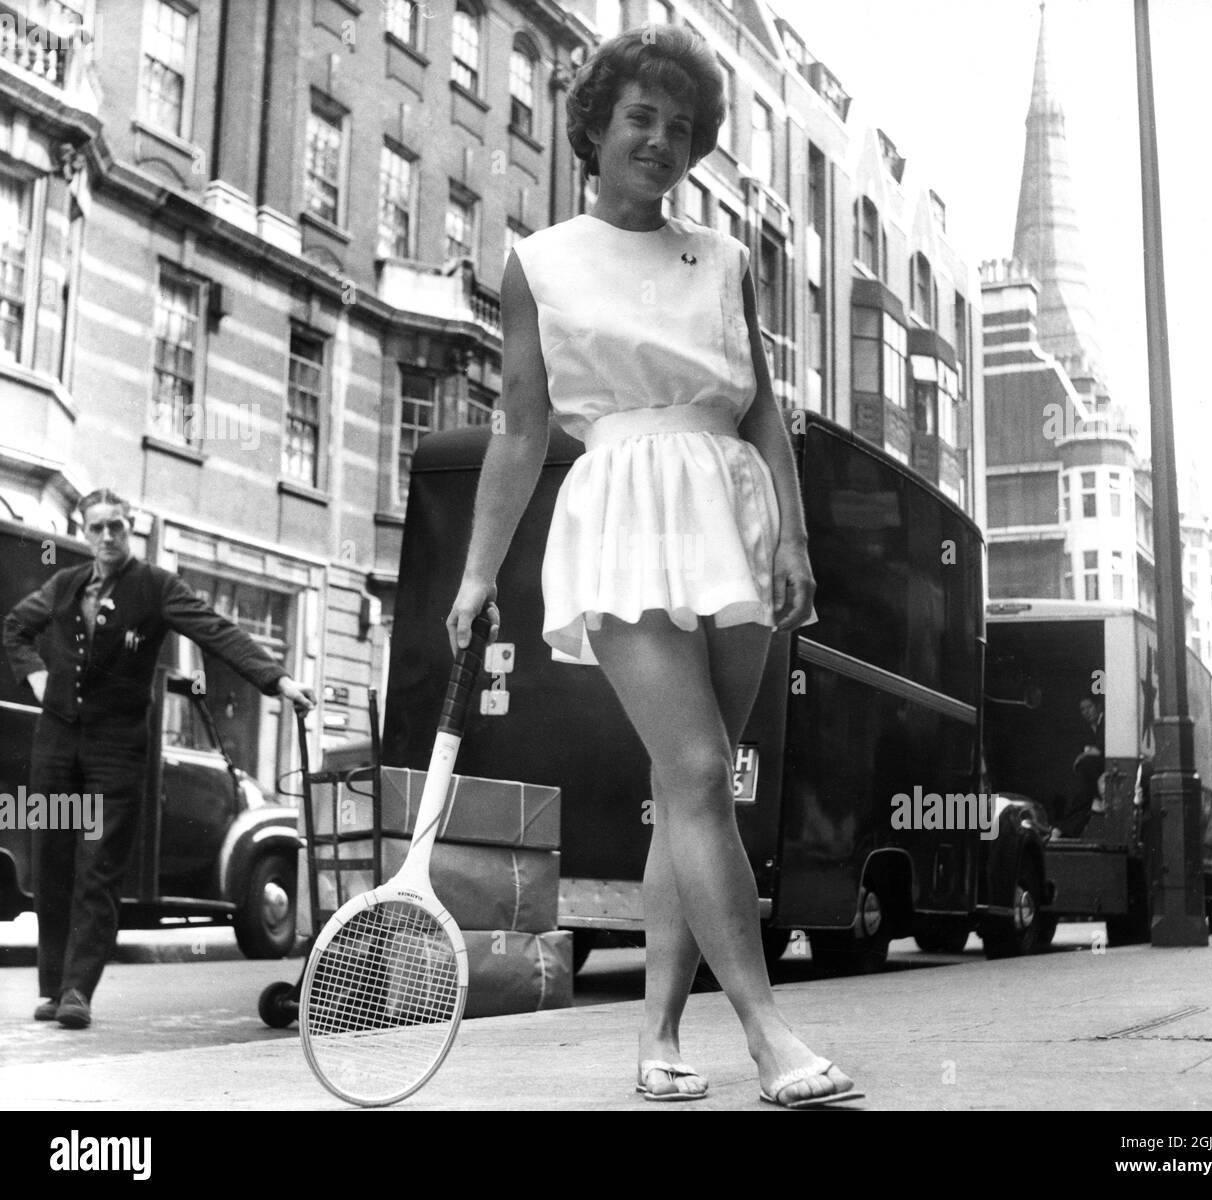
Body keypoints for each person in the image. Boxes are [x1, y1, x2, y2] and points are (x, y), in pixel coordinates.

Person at [444, 26, 861, 1108]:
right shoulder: (537, 263)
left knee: (697, 787)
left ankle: (658, 1040)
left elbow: (762, 405)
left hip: (730, 510)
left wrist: (794, 537)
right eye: (640, 118)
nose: (661, 141)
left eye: (680, 128)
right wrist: (477, 575)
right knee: (690, 774)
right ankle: (768, 1036)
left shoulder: (722, 259)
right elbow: (523, 428)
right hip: (621, 509)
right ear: (593, 126)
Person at [3, 489, 316, 1028]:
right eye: (97, 527)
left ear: (132, 528)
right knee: (52, 865)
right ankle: (52, 987)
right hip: (56, 746)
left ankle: (78, 991)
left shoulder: (155, 587)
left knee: (98, 868)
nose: (106, 537)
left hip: (116, 750)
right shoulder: (65, 584)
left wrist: (278, 679)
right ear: (85, 529)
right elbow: (15, 628)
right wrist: (36, 678)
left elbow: (215, 630)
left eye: (116, 527)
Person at [1053, 697, 1106, 839]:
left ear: (1098, 706)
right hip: (1095, 783)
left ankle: (1060, 829)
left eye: (1089, 707)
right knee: (1082, 799)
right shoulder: (1088, 729)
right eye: (1082, 709)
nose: (1086, 712)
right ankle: (1062, 829)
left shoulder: (1106, 722)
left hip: (1104, 775)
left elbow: (1100, 750)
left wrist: (1082, 756)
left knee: (1082, 796)